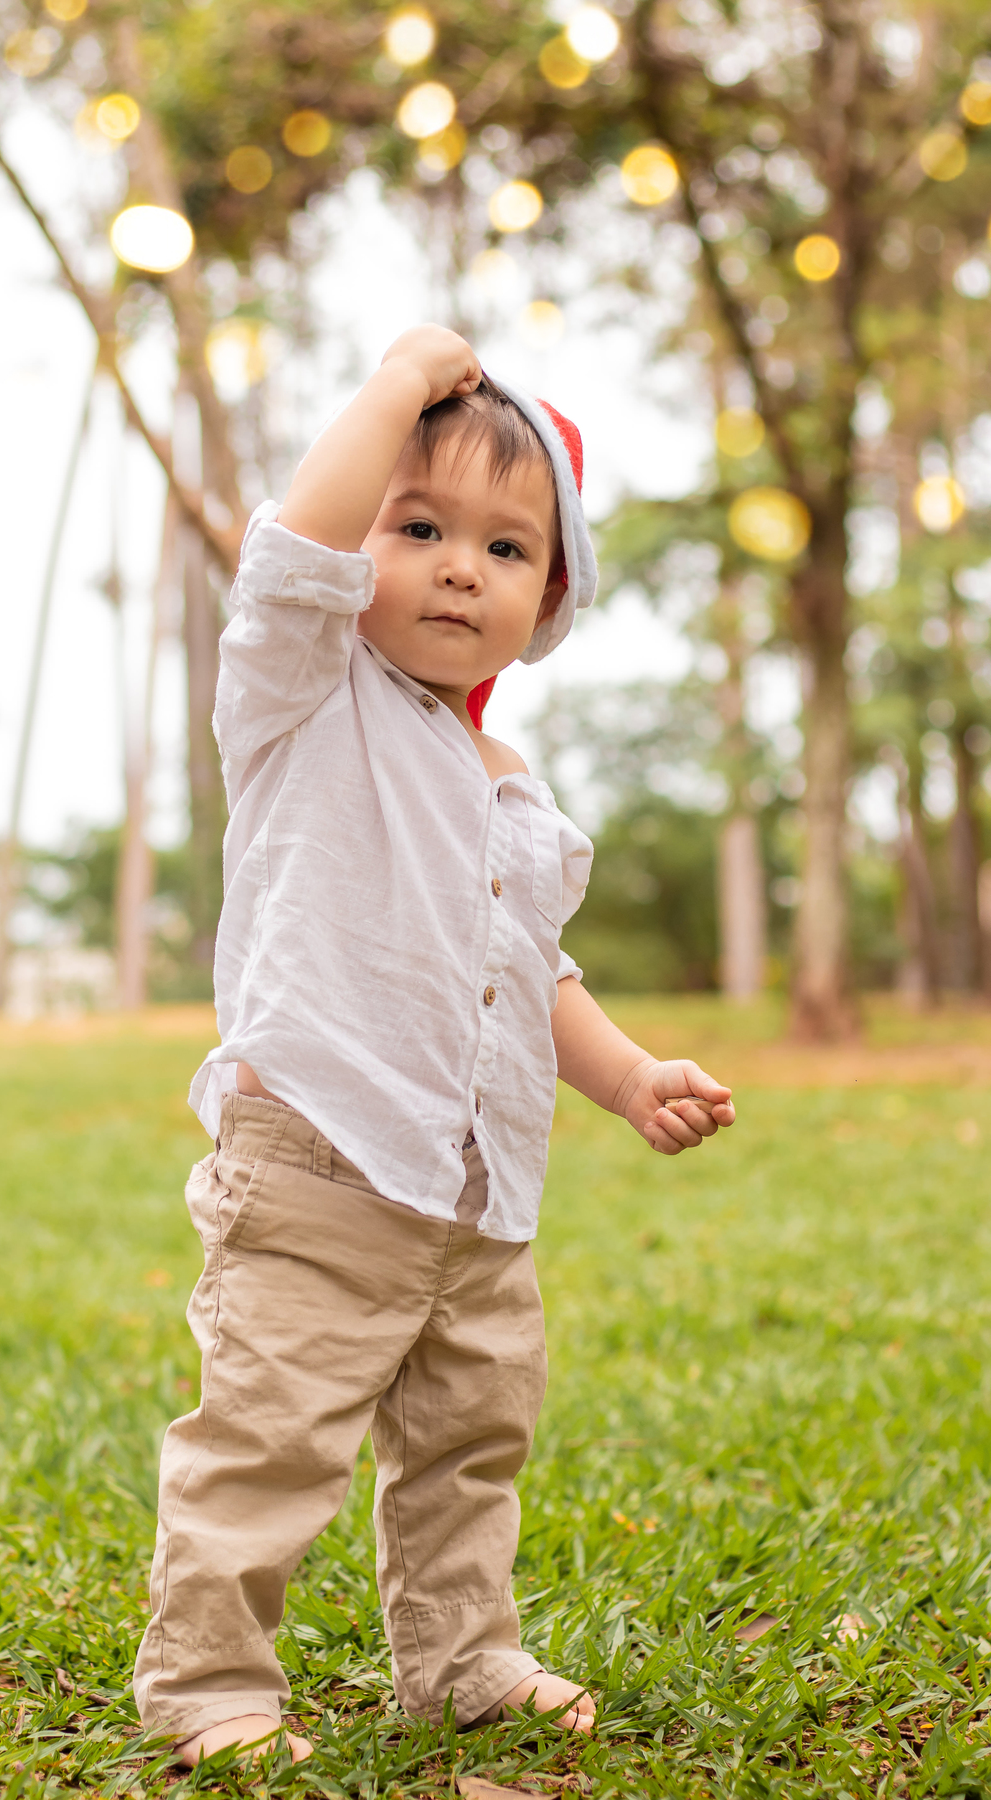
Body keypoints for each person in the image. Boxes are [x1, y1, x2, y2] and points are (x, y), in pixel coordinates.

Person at [133, 326, 736, 1766]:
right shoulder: (301, 694)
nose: (462, 566)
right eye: (420, 528)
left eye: (508, 548)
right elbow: (289, 550)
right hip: (320, 1168)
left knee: (471, 1449)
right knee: (269, 1438)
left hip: (476, 1196)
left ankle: (462, 1660)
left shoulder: (509, 783)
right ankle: (212, 1685)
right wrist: (403, 388)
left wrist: (632, 1074)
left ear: (551, 598)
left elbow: (532, 974)